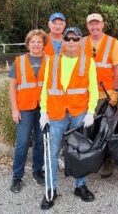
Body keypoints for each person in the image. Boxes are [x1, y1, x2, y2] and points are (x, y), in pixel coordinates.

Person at [39, 27, 99, 209]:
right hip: (56, 113)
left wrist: (90, 112)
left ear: (81, 41)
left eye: (75, 39)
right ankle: (51, 190)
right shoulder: (52, 61)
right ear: (63, 41)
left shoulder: (88, 62)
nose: (71, 42)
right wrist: (43, 111)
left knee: (79, 151)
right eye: (68, 38)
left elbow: (93, 89)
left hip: (79, 113)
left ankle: (80, 186)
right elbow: (45, 88)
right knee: (52, 152)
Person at [82, 13, 118, 178]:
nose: (94, 27)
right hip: (86, 94)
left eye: (97, 24)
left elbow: (117, 70)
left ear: (102, 24)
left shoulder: (112, 42)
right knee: (90, 129)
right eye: (91, 24)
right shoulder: (81, 42)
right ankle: (92, 159)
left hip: (106, 94)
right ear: (87, 26)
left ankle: (108, 161)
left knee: (107, 129)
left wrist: (116, 92)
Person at [9, 29, 47, 193]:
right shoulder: (19, 61)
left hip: (43, 108)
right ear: (28, 43)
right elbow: (12, 87)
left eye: (39, 41)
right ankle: (17, 177)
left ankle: (37, 171)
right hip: (24, 108)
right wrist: (14, 109)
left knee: (40, 142)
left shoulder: (50, 61)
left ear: (43, 44)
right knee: (22, 143)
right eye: (33, 41)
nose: (36, 44)